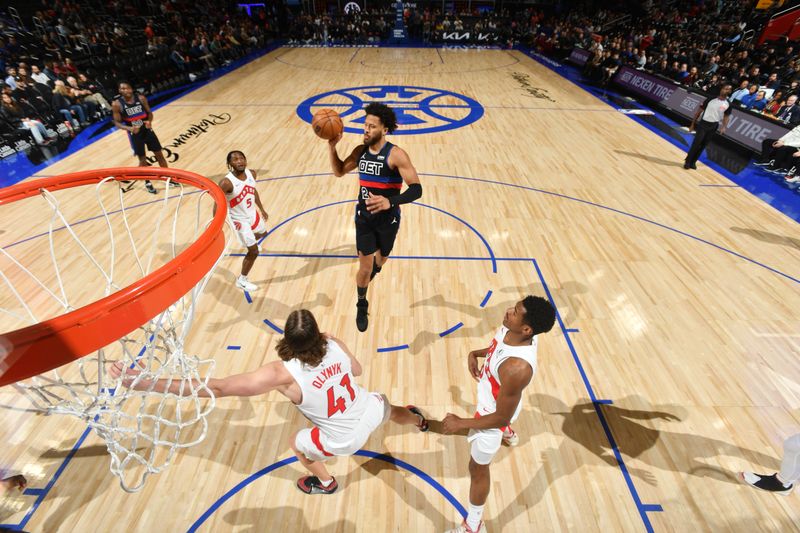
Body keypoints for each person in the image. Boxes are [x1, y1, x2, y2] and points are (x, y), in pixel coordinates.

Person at [110, 308, 429, 495]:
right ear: (318, 334)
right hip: (368, 408)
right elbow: (357, 369)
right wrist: (335, 343)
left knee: (297, 442)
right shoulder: (332, 343)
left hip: (345, 438)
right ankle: (419, 420)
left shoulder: (283, 373)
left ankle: (327, 482)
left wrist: (144, 381)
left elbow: (219, 388)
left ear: (287, 340)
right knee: (389, 408)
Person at [442, 296, 556, 533]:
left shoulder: (517, 368)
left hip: (491, 417)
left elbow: (500, 416)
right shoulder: (513, 330)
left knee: (477, 468)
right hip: (501, 401)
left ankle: (474, 525)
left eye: (514, 311)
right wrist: (476, 352)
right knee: (507, 415)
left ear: (527, 329)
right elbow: (498, 345)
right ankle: (509, 433)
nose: (508, 312)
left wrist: (460, 423)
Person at [327, 103, 422, 332]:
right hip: (364, 219)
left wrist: (391, 201)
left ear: (385, 130)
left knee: (382, 260)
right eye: (365, 125)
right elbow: (339, 171)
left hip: (388, 220)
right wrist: (332, 147)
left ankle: (376, 268)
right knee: (365, 268)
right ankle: (362, 303)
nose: (366, 130)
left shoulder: (396, 154)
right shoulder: (360, 152)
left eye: (371, 126)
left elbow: (416, 189)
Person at [217, 150, 269, 292]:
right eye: (235, 159)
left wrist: (262, 209)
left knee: (263, 233)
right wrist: (217, 224)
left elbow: (253, 191)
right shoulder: (226, 182)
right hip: (239, 219)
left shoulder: (252, 173)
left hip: (252, 213)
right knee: (253, 252)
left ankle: (250, 241)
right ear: (229, 164)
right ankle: (242, 280)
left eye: (241, 158)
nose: (239, 161)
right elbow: (217, 203)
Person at [111, 81, 168, 194]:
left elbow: (149, 113)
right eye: (122, 89)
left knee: (159, 154)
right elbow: (117, 123)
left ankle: (168, 177)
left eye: (126, 88)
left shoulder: (141, 98)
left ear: (131, 89)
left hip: (147, 130)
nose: (125, 90)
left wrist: (149, 121)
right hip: (135, 133)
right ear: (119, 91)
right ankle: (148, 182)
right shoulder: (117, 104)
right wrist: (130, 129)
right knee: (142, 160)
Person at [684, 83, 732, 170]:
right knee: (696, 143)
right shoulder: (711, 99)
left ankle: (693, 162)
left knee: (703, 145)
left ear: (730, 92)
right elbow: (698, 112)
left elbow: (726, 116)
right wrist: (692, 124)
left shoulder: (728, 104)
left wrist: (724, 127)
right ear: (721, 89)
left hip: (714, 126)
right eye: (725, 88)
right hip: (703, 124)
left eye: (728, 89)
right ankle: (688, 161)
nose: (726, 90)